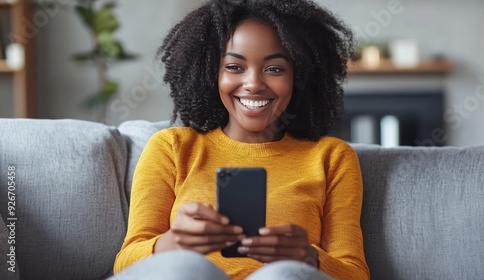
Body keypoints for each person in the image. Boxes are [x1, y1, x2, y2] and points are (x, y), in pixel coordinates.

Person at [112, 0, 370, 279]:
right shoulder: (172, 148)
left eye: (274, 69)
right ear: (211, 73)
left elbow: (354, 273)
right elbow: (126, 263)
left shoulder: (331, 157)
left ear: (301, 77)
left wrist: (308, 257)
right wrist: (173, 243)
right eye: (235, 67)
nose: (253, 83)